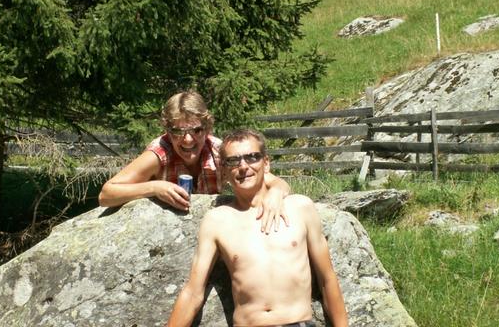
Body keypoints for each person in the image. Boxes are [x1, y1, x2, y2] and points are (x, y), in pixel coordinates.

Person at [167, 129, 348, 327]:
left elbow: (327, 280)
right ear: (224, 171)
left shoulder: (301, 208)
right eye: (233, 161)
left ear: (266, 163)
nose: (243, 166)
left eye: (252, 157)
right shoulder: (217, 220)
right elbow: (193, 292)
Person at [98, 91, 290, 232]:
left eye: (196, 131)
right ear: (167, 131)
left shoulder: (218, 150)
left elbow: (274, 182)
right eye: (178, 132)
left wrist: (276, 193)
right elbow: (106, 194)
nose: (188, 140)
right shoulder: (159, 153)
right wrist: (155, 187)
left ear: (207, 128)